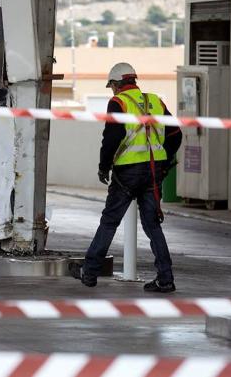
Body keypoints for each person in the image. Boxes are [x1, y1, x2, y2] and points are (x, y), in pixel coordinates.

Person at [69, 62, 183, 293]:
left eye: (111, 85)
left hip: (128, 173)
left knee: (110, 221)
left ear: (117, 84)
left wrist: (104, 166)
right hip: (153, 172)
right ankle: (166, 278)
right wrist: (164, 161)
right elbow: (175, 134)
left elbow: (111, 137)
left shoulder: (118, 102)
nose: (111, 90)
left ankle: (89, 272)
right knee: (153, 226)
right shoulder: (155, 101)